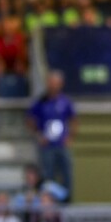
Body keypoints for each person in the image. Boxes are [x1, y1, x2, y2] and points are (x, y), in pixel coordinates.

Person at [27, 70, 75, 200]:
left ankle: (67, 201)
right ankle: (48, 202)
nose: (53, 86)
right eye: (50, 83)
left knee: (67, 173)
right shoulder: (40, 102)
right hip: (47, 146)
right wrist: (39, 135)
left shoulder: (66, 101)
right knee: (48, 175)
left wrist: (69, 137)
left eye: (56, 83)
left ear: (61, 84)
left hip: (62, 144)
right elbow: (30, 120)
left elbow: (73, 120)